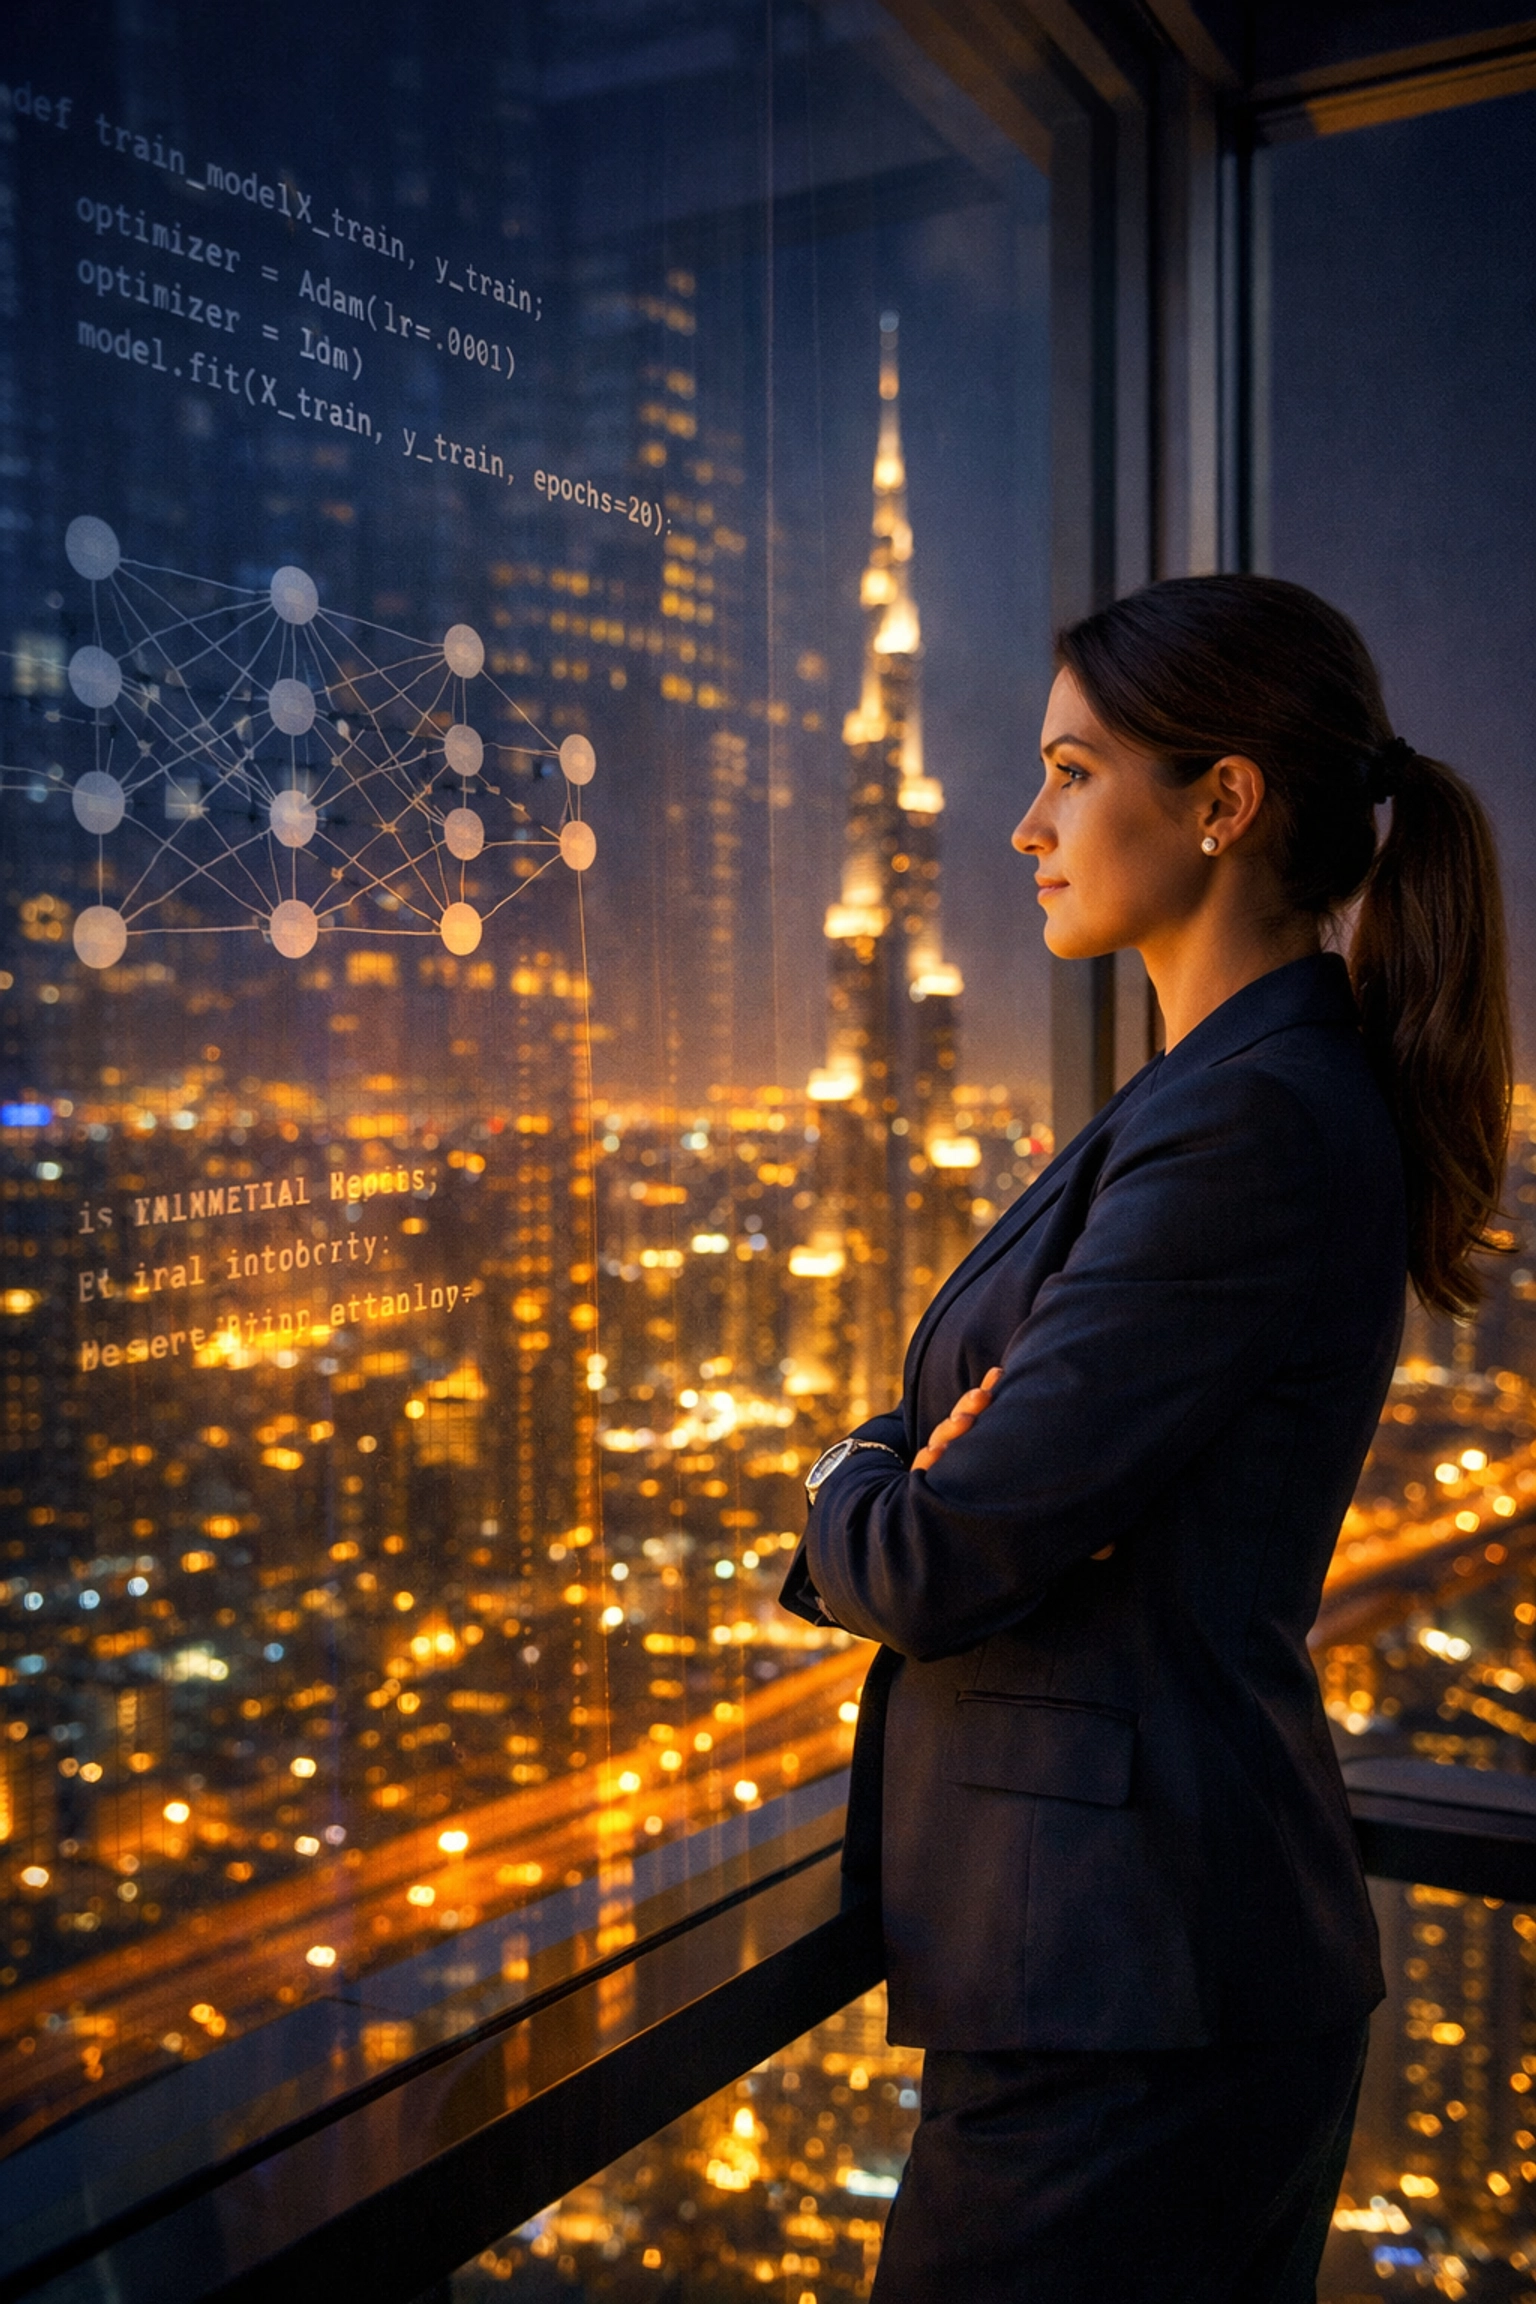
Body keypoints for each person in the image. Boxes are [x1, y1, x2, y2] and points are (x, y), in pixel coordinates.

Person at [780, 574, 1511, 2303]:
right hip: (1132, 1976)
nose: (1028, 826)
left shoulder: (1251, 1119)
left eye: (1071, 772)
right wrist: (927, 1461)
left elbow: (937, 1552)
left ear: (1224, 802)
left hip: (1129, 2002)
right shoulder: (1228, 1086)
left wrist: (848, 1478)